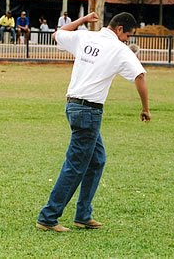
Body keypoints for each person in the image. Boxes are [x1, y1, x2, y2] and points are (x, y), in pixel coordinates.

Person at [36, 12, 151, 232]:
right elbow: (140, 76)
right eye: (128, 34)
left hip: (73, 106)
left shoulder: (86, 37)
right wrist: (145, 108)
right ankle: (48, 217)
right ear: (119, 30)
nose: (127, 39)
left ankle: (83, 215)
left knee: (97, 160)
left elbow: (57, 34)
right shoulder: (119, 49)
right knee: (75, 166)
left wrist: (82, 20)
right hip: (89, 111)